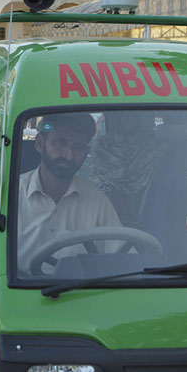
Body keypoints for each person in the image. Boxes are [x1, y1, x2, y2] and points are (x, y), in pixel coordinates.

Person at [17, 113, 121, 275]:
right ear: (39, 143)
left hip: (79, 296)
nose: (69, 155)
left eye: (78, 147)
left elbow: (123, 259)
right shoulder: (10, 196)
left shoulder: (98, 202)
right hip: (16, 295)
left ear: (86, 151)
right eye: (61, 142)